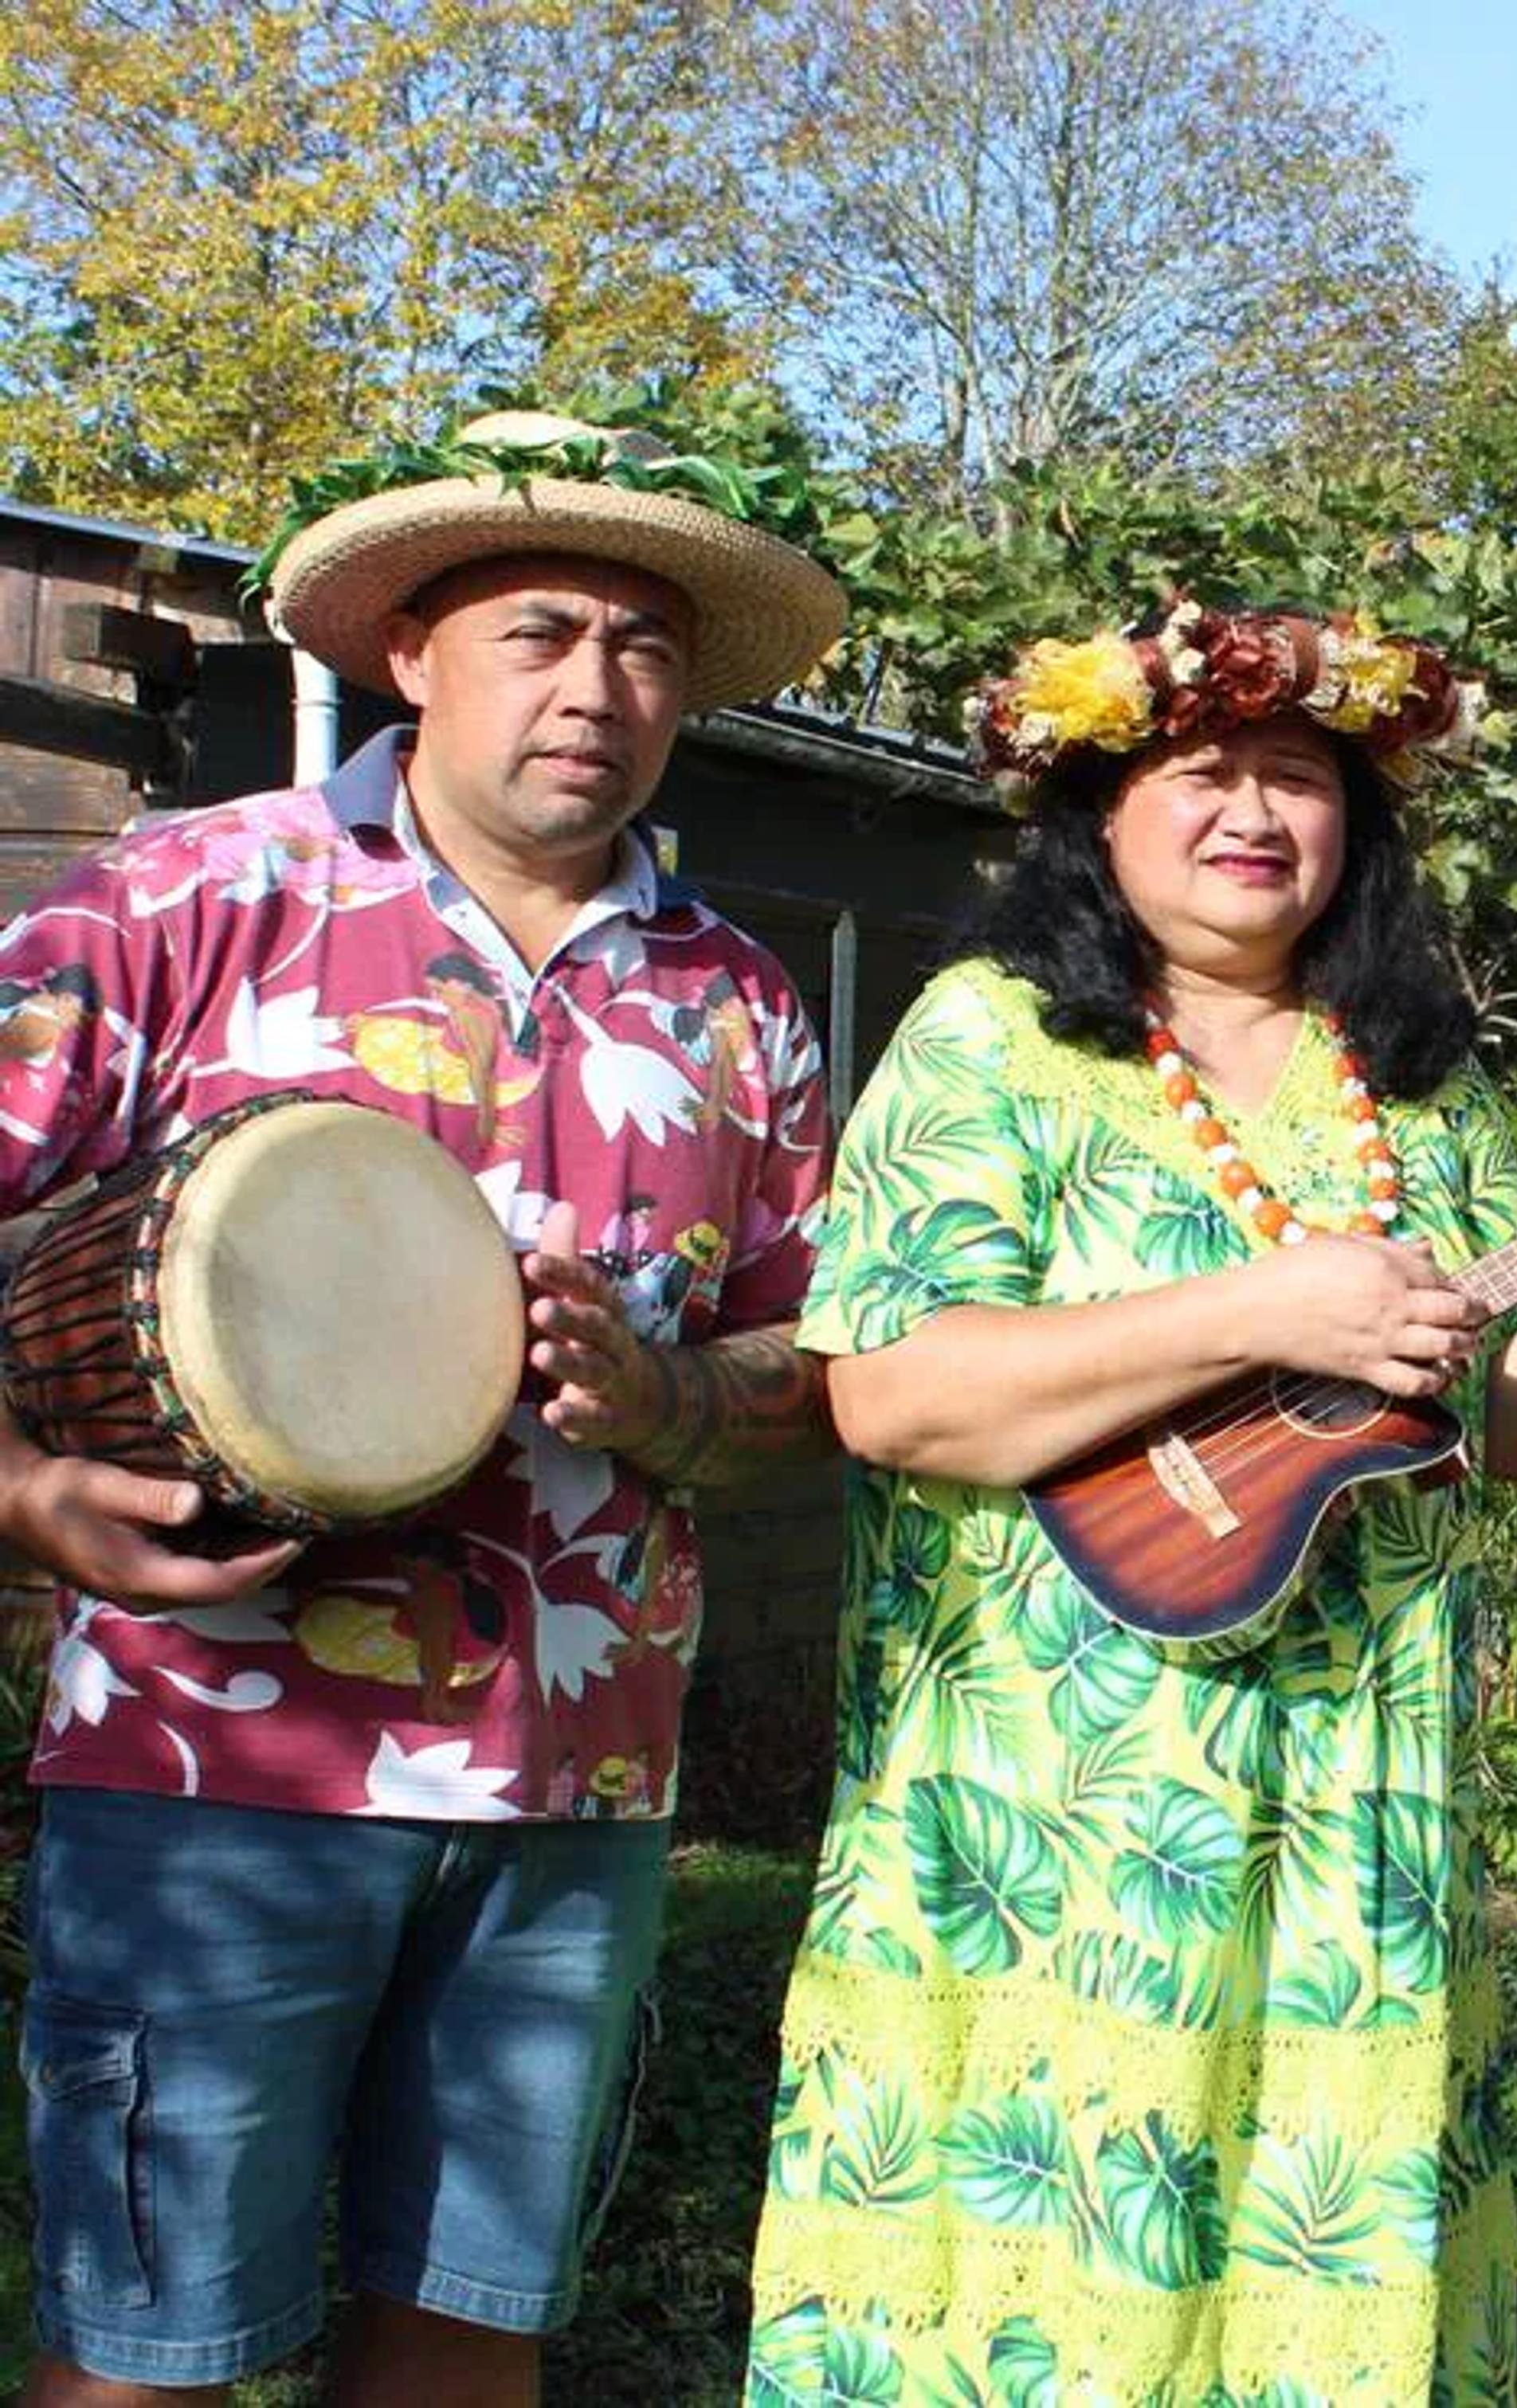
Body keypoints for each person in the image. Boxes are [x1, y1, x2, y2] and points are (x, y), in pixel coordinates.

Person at [739, 599, 1517, 2406]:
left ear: (1357, 833)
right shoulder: (993, 1041)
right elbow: (893, 1394)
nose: (1252, 811)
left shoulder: (1422, 1096)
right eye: (1201, 772)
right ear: (1100, 813)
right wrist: (1254, 1305)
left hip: (1352, 1822)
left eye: (1299, 779)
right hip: (1042, 1821)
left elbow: (1507, 1427)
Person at [1, 410, 845, 2407]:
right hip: (216, 1775)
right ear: (408, 652)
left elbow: (812, 1369)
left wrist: (669, 1397)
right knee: (149, 2355)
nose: (597, 688)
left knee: (466, 2348)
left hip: (580, 1792)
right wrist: (22, 1495)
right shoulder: (189, 897)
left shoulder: (739, 999)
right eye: (540, 632)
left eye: (645, 650)